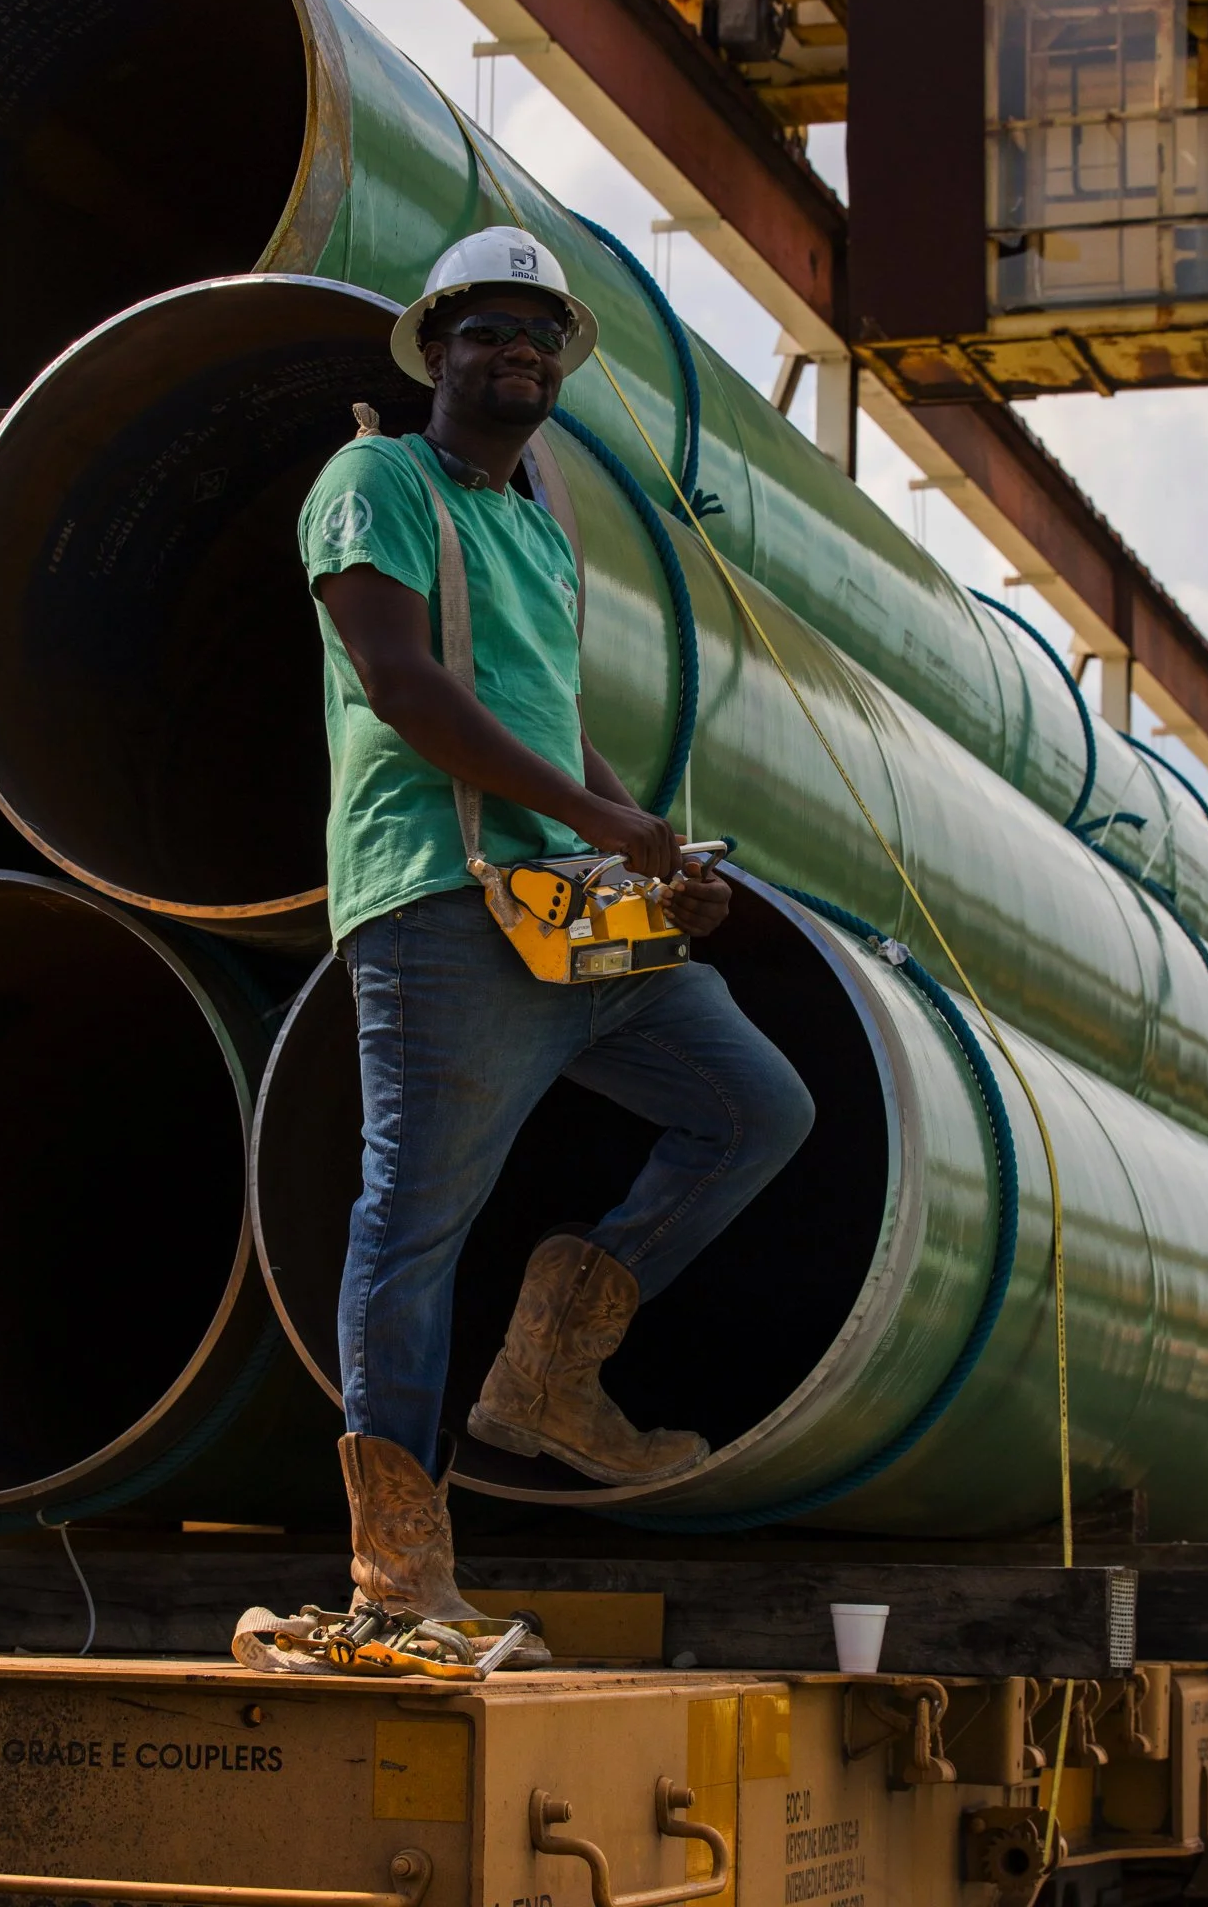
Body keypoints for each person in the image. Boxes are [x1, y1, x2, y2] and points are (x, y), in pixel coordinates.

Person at [298, 225, 815, 1623]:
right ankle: (398, 1575)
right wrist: (603, 831)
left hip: (570, 911)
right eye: (489, 329)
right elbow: (403, 684)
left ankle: (547, 1370)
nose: (519, 349)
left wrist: (649, 847)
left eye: (541, 333)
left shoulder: (531, 520)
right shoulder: (374, 482)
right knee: (411, 1230)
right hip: (441, 905)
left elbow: (549, 718)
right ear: (438, 352)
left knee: (756, 1107)